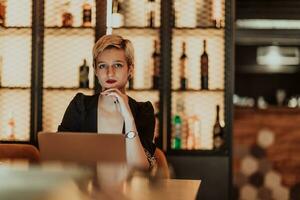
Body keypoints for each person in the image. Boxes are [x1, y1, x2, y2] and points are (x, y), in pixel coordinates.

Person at [58, 34, 156, 169]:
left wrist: (129, 119)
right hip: (85, 188)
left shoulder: (143, 111)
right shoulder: (80, 105)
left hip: (129, 189)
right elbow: (58, 156)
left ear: (130, 70)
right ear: (96, 71)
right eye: (103, 66)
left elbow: (141, 168)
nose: (110, 73)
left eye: (118, 65)